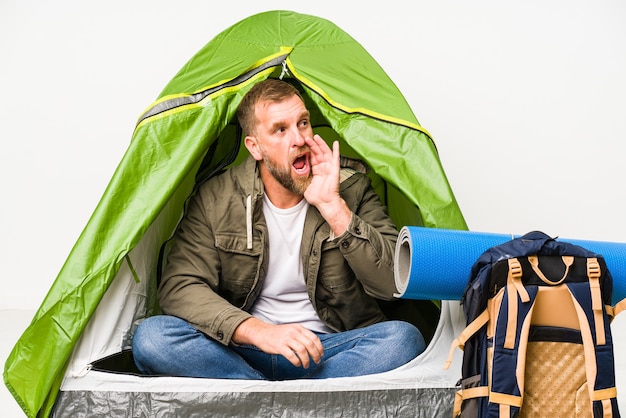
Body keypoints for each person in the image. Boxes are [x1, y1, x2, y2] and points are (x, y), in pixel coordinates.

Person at [132, 78, 426, 380]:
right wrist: (258, 332)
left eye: (303, 123)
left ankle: (259, 401)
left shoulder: (352, 189)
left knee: (403, 340)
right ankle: (293, 401)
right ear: (255, 147)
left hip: (330, 350)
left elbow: (392, 283)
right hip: (244, 350)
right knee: (153, 338)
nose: (298, 139)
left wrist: (333, 207)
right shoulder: (217, 197)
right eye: (280, 129)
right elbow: (180, 286)